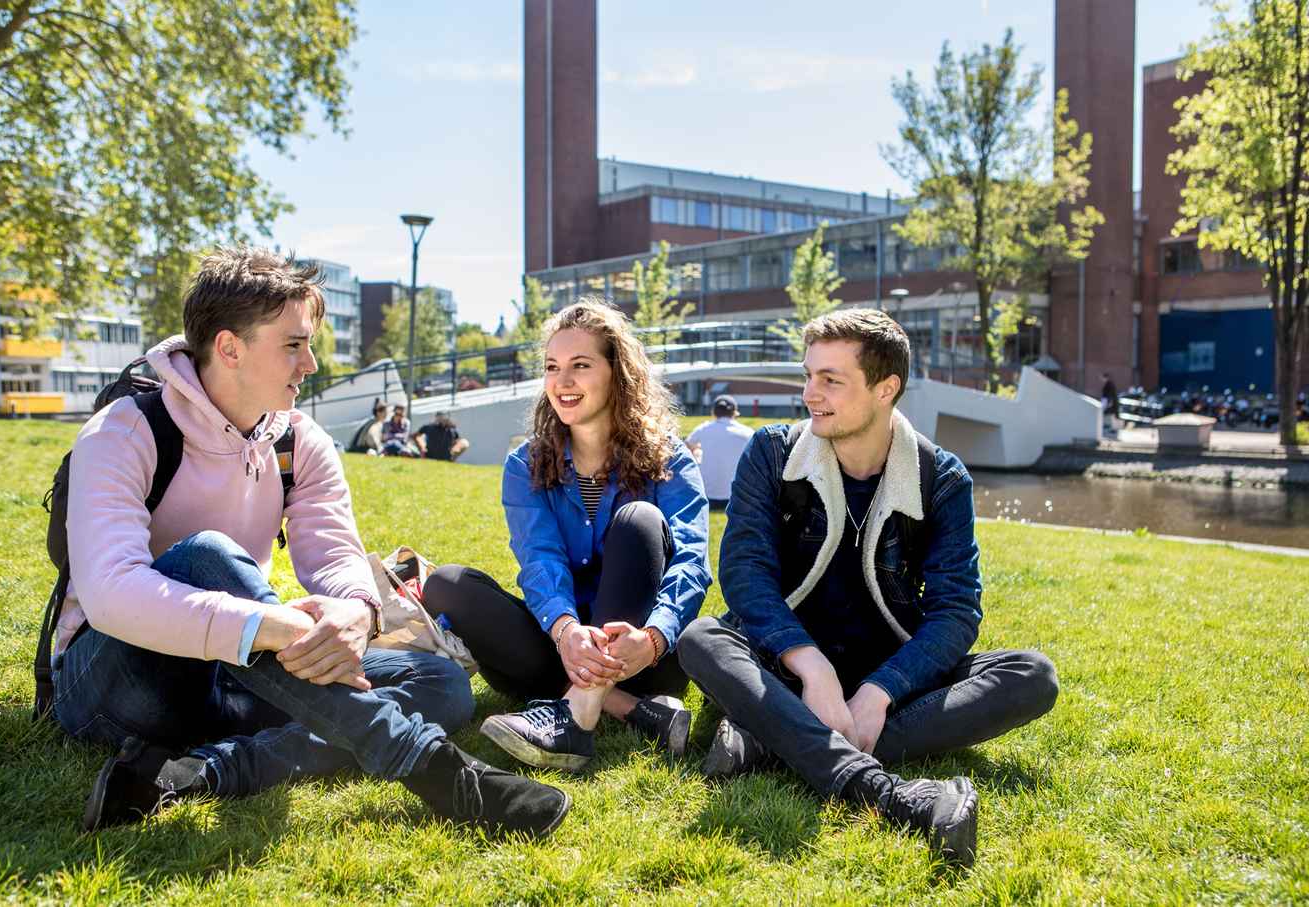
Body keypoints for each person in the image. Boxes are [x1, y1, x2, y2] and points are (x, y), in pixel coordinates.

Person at [53, 246, 569, 837]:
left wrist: (357, 610)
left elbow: (332, 552)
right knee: (206, 555)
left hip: (236, 673)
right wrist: (263, 626)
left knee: (441, 683)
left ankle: (200, 772)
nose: (312, 363)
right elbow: (110, 592)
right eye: (294, 345)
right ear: (230, 348)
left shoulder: (299, 440)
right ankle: (429, 766)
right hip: (120, 682)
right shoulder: (125, 430)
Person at [676, 308, 1058, 868]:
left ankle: (770, 737)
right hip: (783, 663)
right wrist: (812, 667)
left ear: (886, 389)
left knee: (1033, 675)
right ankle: (886, 792)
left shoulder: (940, 478)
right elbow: (744, 572)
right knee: (701, 639)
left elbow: (955, 611)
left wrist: (881, 690)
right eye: (809, 375)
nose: (810, 394)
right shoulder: (772, 453)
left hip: (886, 674)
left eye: (831, 380)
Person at [424, 300, 711, 771]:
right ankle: (631, 711)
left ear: (618, 374)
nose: (562, 381)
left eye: (580, 365)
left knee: (638, 519)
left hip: (640, 655)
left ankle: (576, 718)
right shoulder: (526, 465)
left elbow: (692, 563)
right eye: (552, 367)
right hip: (565, 650)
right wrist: (566, 631)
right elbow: (540, 558)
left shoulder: (669, 458)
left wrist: (655, 638)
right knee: (446, 584)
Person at [685, 395, 754, 509]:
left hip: (707, 496)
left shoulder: (703, 429)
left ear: (713, 412)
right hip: (736, 497)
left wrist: (697, 451)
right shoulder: (747, 433)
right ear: (735, 412)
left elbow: (686, 447)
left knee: (697, 453)